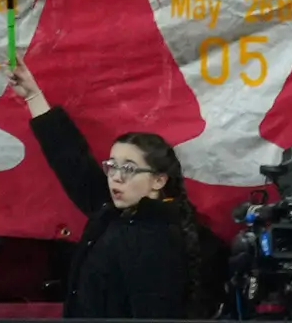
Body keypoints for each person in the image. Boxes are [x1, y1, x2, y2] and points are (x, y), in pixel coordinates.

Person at [12, 65, 199, 317]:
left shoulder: (159, 241)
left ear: (158, 180)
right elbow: (72, 162)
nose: (116, 177)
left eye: (130, 169)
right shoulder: (113, 214)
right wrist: (33, 96)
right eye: (112, 166)